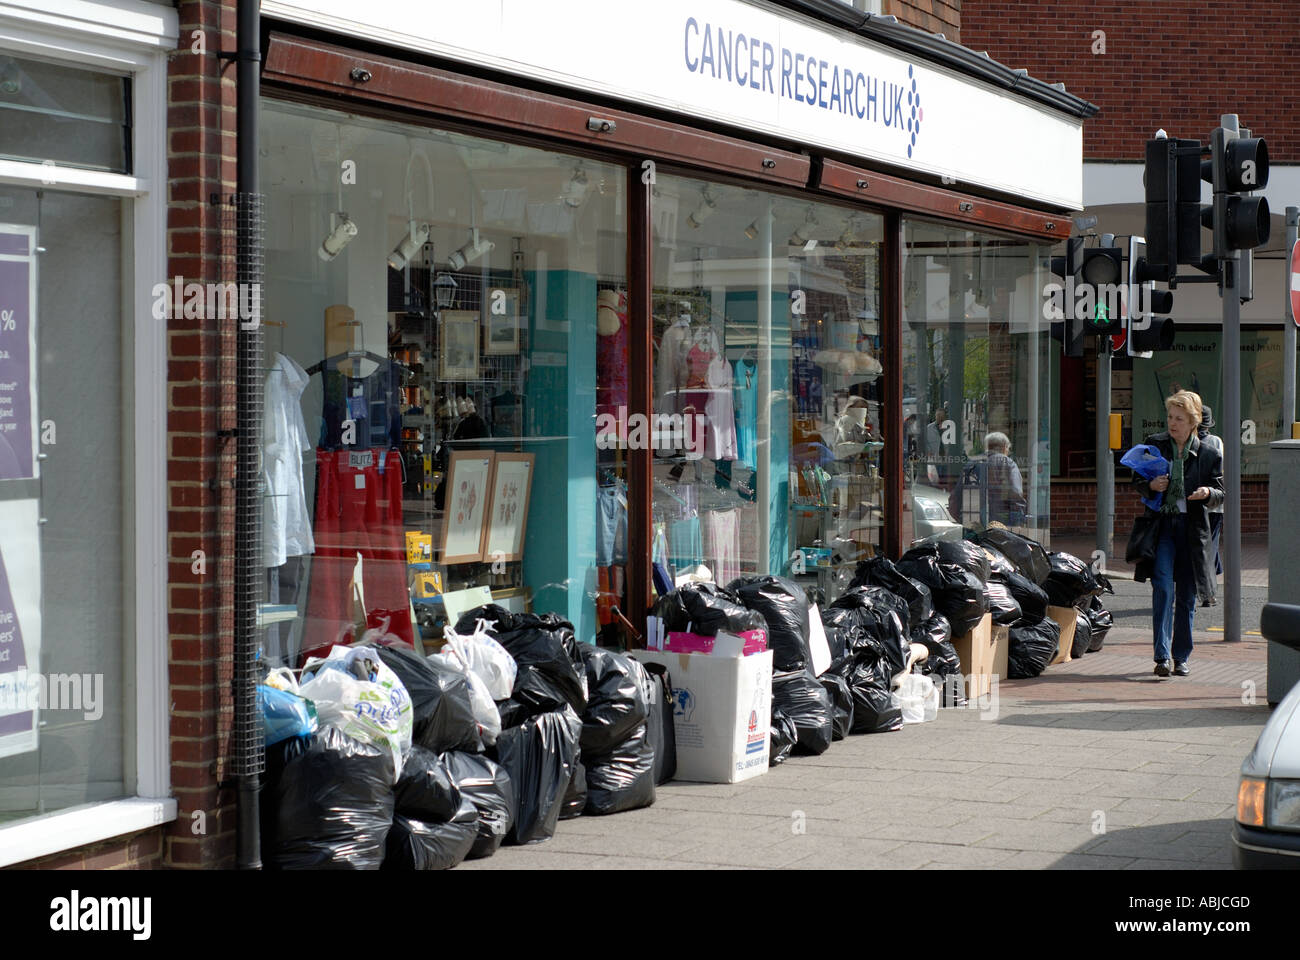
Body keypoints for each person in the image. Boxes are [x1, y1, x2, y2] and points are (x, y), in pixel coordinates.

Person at [1132, 390, 1224, 678]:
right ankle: (1161, 657)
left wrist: (1208, 492)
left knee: (1186, 595)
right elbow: (1138, 479)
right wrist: (1151, 486)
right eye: (1170, 417)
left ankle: (1181, 657)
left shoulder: (1209, 452)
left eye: (1179, 419)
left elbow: (1222, 492)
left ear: (1193, 421)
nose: (1172, 423)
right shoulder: (1155, 444)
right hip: (1162, 527)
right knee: (1162, 587)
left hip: (1193, 530)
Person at [1197, 405, 1224, 576]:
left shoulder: (1186, 440)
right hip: (1214, 502)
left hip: (1194, 501)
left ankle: (1211, 580)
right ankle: (1209, 587)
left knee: (1204, 545)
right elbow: (1221, 472)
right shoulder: (1215, 441)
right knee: (1211, 543)